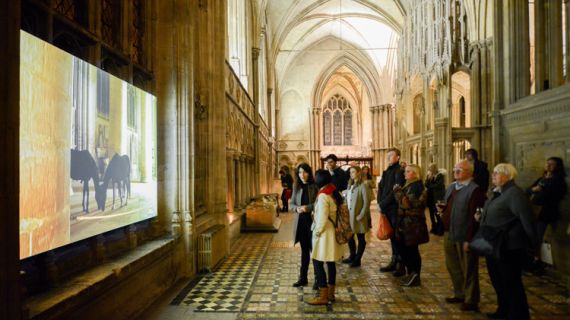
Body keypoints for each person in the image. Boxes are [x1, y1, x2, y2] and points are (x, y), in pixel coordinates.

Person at [478, 163, 538, 320]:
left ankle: (518, 315)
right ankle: (503, 311)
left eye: (496, 174)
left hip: (509, 246)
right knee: (498, 281)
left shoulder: (514, 194)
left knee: (511, 282)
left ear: (507, 176)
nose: (493, 176)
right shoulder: (498, 192)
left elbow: (527, 220)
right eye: (494, 173)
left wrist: (533, 246)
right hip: (494, 243)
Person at [438, 160, 485, 311]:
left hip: (465, 234)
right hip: (449, 232)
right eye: (455, 169)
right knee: (452, 265)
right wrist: (442, 212)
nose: (456, 171)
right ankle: (459, 293)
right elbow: (445, 204)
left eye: (460, 169)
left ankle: (471, 299)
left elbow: (475, 216)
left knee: (468, 268)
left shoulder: (475, 190)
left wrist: (469, 239)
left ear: (470, 172)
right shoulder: (452, 186)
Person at [307, 169, 344, 305]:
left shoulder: (323, 195)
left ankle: (323, 296)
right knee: (330, 262)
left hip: (324, 234)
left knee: (317, 262)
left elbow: (322, 218)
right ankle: (331, 294)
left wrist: (316, 232)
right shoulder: (333, 191)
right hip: (332, 232)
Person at [526, 157, 568, 273]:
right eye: (547, 163)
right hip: (535, 211)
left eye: (552, 164)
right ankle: (534, 261)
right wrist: (534, 190)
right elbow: (528, 190)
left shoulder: (558, 180)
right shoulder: (542, 178)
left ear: (557, 167)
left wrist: (540, 191)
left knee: (538, 238)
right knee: (533, 237)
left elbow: (553, 195)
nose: (548, 166)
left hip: (547, 213)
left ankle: (539, 262)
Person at [393, 164, 429, 287]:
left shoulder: (416, 186)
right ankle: (411, 274)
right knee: (405, 249)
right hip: (406, 223)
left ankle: (415, 275)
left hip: (413, 224)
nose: (405, 174)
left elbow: (406, 204)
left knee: (412, 250)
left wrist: (397, 192)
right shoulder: (409, 185)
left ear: (415, 173)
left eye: (408, 171)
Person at [377, 148, 406, 276]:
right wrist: (379, 202)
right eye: (387, 155)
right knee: (392, 237)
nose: (388, 158)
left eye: (391, 155)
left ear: (398, 157)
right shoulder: (387, 171)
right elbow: (381, 188)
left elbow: (395, 192)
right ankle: (394, 261)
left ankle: (400, 264)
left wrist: (382, 203)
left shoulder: (399, 172)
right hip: (387, 208)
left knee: (397, 237)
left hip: (394, 209)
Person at [290, 163, 319, 288]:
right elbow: (291, 204)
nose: (302, 175)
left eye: (305, 172)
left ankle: (319, 279)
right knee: (304, 252)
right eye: (300, 172)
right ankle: (303, 278)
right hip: (301, 223)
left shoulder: (315, 186)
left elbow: (319, 203)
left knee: (315, 252)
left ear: (309, 172)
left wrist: (309, 207)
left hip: (313, 223)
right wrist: (297, 209)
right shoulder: (296, 186)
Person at [342, 166, 371, 267]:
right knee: (350, 237)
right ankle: (352, 256)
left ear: (359, 173)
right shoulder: (350, 185)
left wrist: (361, 215)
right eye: (350, 172)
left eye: (353, 172)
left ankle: (357, 259)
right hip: (350, 216)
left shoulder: (363, 186)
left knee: (361, 238)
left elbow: (366, 203)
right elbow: (347, 200)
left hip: (359, 217)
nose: (351, 174)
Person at [425, 163, 445, 234]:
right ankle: (433, 227)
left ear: (434, 168)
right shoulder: (429, 176)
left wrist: (430, 185)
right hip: (430, 197)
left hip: (437, 197)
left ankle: (440, 229)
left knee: (438, 214)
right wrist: (428, 179)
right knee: (431, 213)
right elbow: (426, 185)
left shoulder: (440, 176)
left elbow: (438, 185)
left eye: (431, 168)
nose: (429, 169)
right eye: (429, 168)